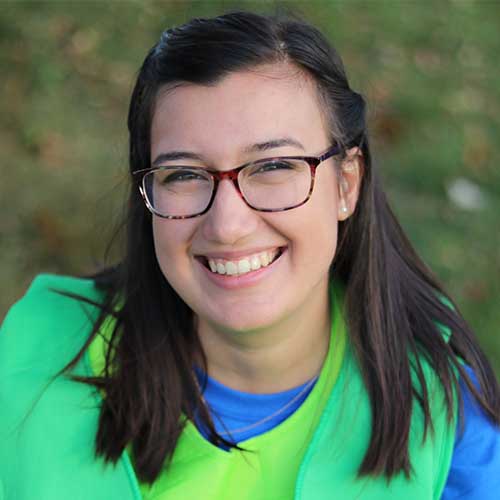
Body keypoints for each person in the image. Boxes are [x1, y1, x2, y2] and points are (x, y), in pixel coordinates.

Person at [1, 10, 499, 500]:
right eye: (184, 174)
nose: (228, 226)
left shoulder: (442, 411)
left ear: (346, 183)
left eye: (273, 166)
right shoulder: (30, 360)